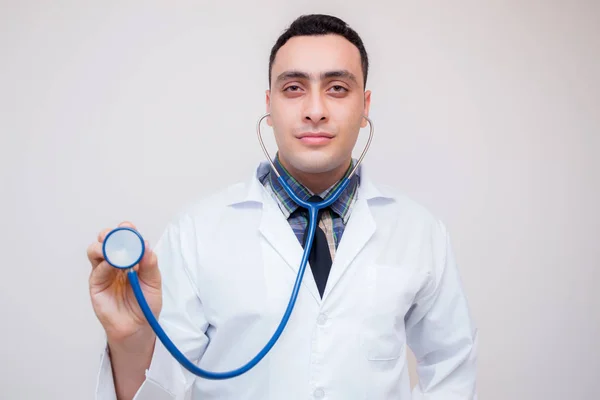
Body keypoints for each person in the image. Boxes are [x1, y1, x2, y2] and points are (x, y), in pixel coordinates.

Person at [88, 13, 478, 400]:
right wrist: (129, 343)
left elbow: (452, 369)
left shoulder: (418, 230)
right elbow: (163, 390)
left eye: (338, 88)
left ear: (365, 106)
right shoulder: (197, 232)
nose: (315, 109)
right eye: (293, 88)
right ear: (269, 106)